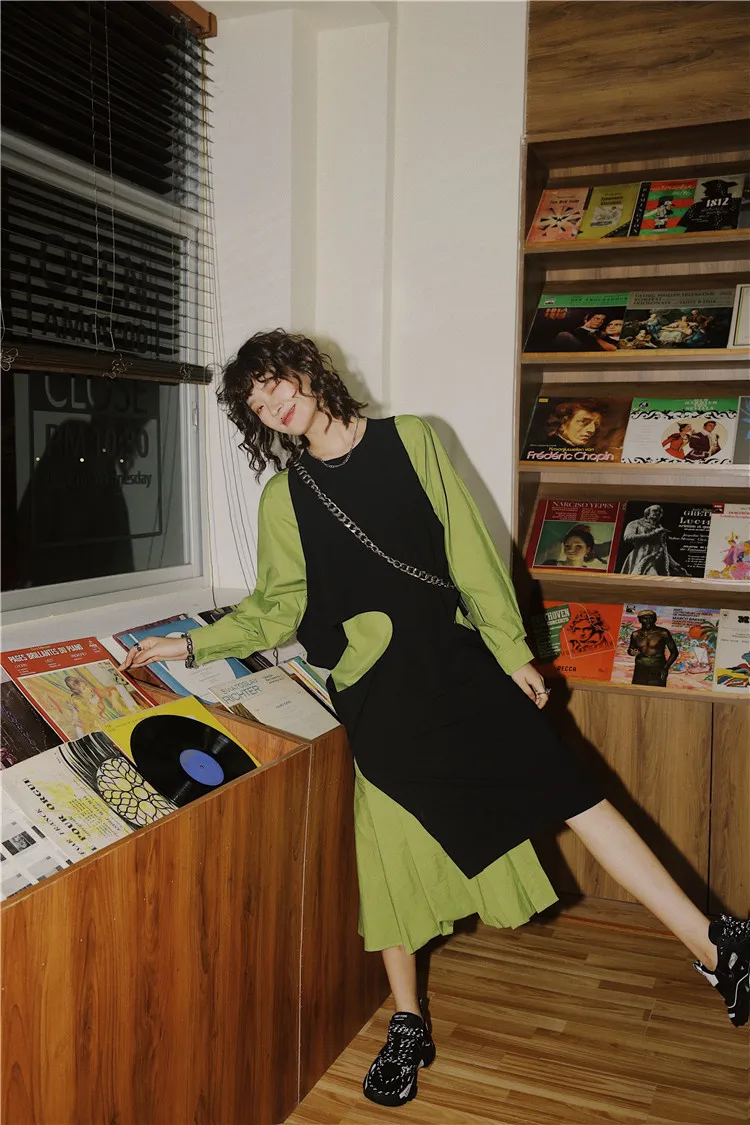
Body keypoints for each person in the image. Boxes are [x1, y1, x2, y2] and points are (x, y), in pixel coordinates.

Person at [120, 330, 750, 1106]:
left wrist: (511, 649)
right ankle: (407, 1022)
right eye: (254, 400)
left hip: (456, 666)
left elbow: (471, 552)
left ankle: (714, 944)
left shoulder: (411, 439)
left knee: (575, 791)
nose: (270, 402)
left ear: (308, 371)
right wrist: (189, 642)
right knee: (389, 857)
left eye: (273, 381)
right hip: (377, 692)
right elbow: (277, 606)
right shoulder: (285, 497)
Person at [618, 504, 690, 576]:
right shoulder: (636, 523)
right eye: (655, 511)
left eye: (660, 512)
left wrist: (676, 565)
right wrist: (652, 534)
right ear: (647, 512)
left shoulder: (659, 527)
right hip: (642, 556)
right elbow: (627, 537)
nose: (658, 513)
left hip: (659, 560)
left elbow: (662, 548)